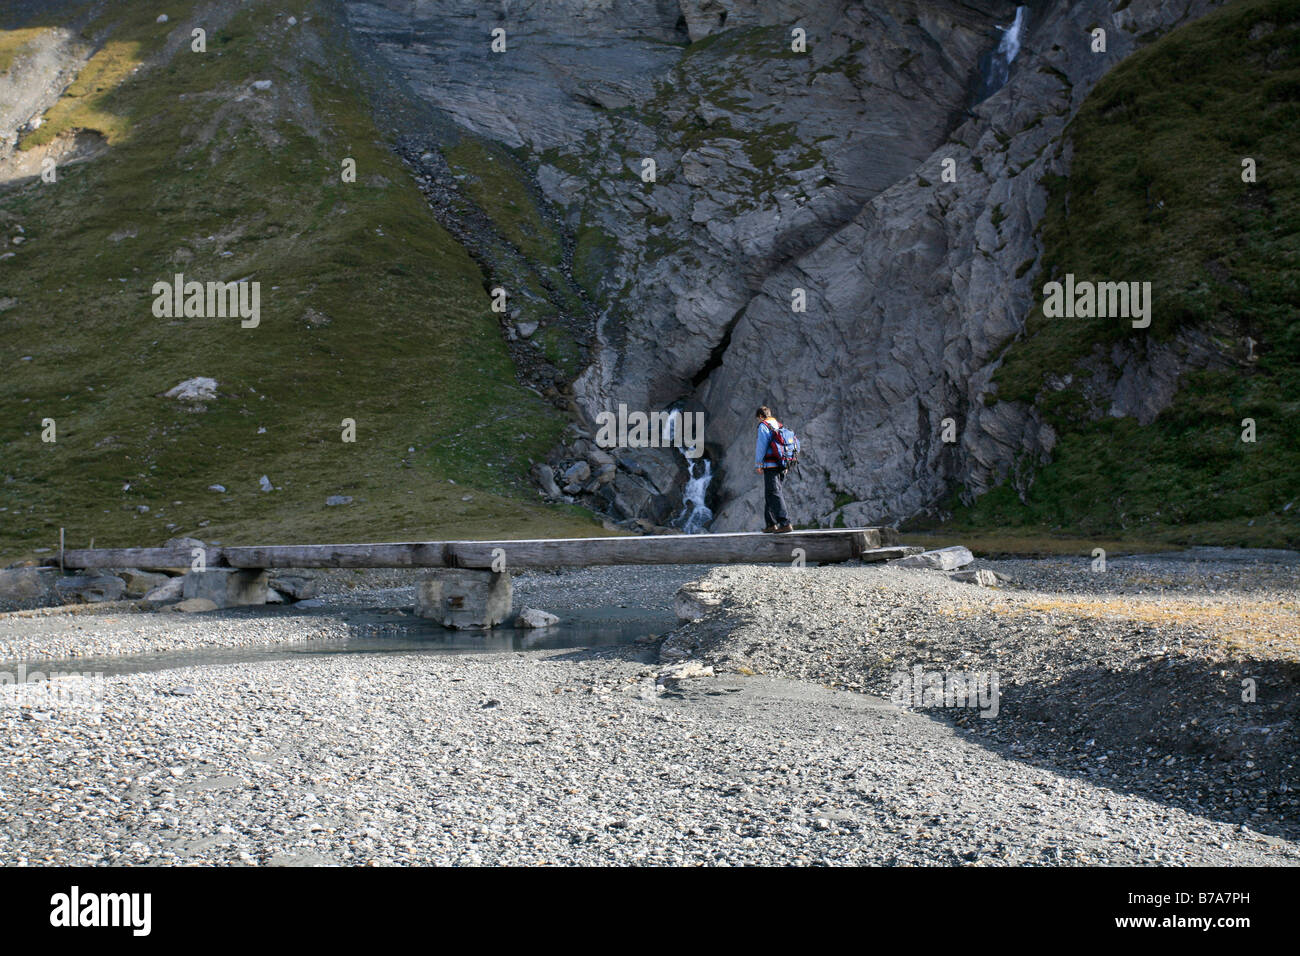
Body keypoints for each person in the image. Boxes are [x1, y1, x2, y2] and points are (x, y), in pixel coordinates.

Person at [754, 406, 793, 533]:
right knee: (770, 494)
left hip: (771, 466)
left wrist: (758, 464)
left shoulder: (763, 426)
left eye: (757, 419)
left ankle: (785, 523)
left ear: (760, 416)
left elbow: (761, 446)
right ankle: (771, 523)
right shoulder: (778, 424)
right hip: (782, 464)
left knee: (775, 493)